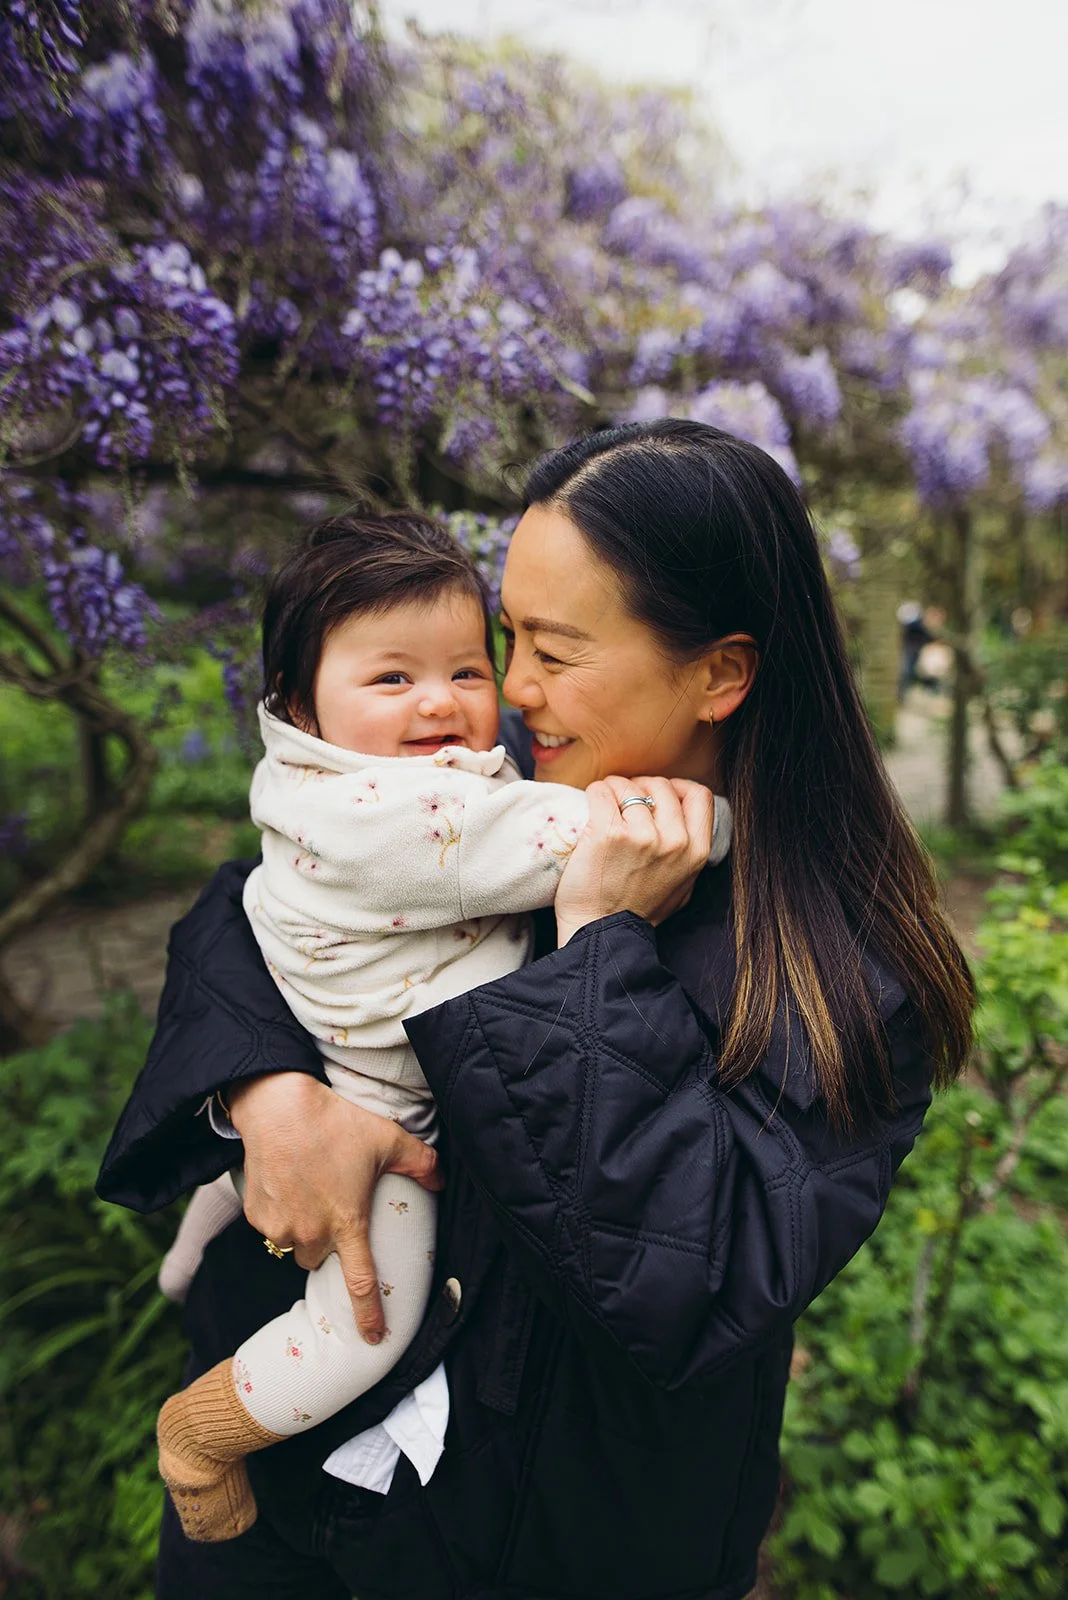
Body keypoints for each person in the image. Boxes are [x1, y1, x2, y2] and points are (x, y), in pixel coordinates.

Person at [98, 419, 975, 1600]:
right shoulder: (513, 755)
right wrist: (268, 1090)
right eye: (505, 639)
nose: (505, 690)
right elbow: (244, 905)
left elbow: (689, 1281)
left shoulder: (840, 979)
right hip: (286, 1513)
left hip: (517, 1549)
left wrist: (601, 942)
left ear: (721, 671)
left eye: (552, 651)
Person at [153, 506, 732, 1541]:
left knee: (243, 1198)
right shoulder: (420, 817)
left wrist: (261, 1094)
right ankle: (201, 1433)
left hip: (333, 1066)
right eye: (393, 678)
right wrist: (720, 819)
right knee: (369, 1325)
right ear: (298, 701)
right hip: (380, 1124)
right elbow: (581, 835)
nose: (464, 700)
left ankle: (196, 1240)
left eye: (471, 667)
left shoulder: (312, 778)